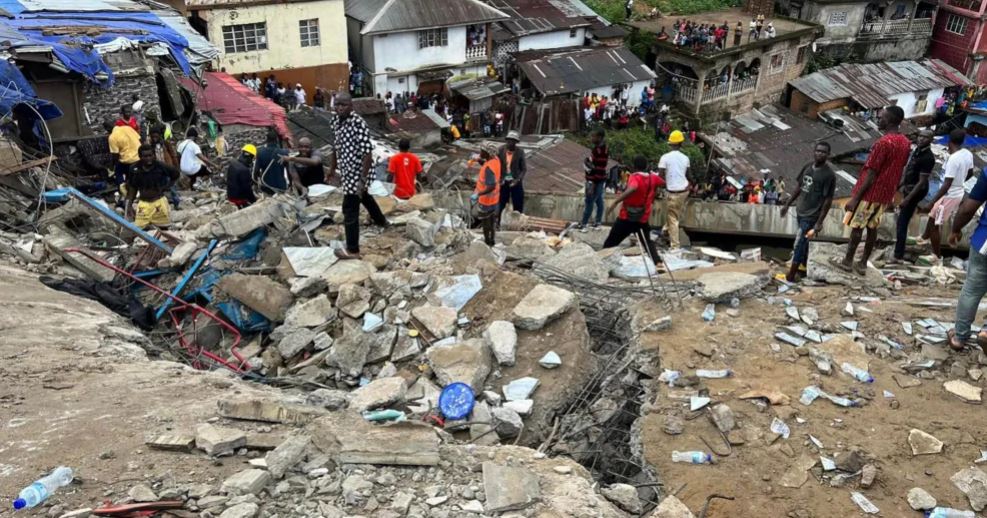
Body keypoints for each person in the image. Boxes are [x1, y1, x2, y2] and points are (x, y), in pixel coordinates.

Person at [836, 106, 910, 275]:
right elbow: (901, 168)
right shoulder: (905, 142)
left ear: (890, 120)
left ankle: (848, 261)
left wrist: (855, 198)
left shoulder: (883, 143)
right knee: (872, 227)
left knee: (857, 227)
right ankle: (863, 263)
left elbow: (871, 173)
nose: (879, 120)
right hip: (885, 194)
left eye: (882, 117)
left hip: (870, 193)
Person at [329, 92, 389, 260]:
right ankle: (381, 221)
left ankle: (353, 250)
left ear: (351, 106)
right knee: (365, 198)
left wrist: (362, 181)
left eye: (344, 105)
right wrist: (332, 169)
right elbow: (336, 146)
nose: (340, 108)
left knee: (350, 209)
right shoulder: (334, 121)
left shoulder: (358, 123)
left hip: (358, 172)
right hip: (346, 171)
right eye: (337, 105)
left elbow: (367, 154)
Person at [780, 142, 836, 282]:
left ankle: (791, 275)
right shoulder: (807, 167)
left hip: (812, 215)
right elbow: (799, 187)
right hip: (801, 211)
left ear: (828, 155)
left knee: (800, 244)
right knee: (804, 244)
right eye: (818, 151)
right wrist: (788, 204)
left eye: (823, 152)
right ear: (814, 152)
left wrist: (819, 222)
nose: (820, 154)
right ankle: (804, 268)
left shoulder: (829, 175)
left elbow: (828, 200)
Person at [947, 170, 987, 351]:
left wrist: (956, 229)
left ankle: (960, 336)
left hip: (984, 242)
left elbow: (968, 208)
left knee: (972, 288)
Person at [920, 128, 974, 259]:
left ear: (949, 141)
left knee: (935, 224)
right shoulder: (967, 153)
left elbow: (946, 184)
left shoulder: (953, 160)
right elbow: (971, 173)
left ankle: (936, 256)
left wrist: (932, 201)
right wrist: (960, 181)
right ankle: (924, 238)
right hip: (955, 192)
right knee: (933, 217)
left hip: (948, 196)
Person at [602, 155, 663, 263]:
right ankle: (657, 263)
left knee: (611, 242)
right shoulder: (653, 178)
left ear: (634, 167)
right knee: (647, 242)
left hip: (626, 217)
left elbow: (633, 188)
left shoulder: (634, 177)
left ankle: (601, 260)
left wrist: (616, 201)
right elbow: (664, 183)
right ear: (647, 166)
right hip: (642, 217)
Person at [892, 129, 935, 263]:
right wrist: (900, 184)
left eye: (925, 137)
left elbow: (921, 182)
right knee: (902, 220)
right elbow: (910, 170)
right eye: (920, 136)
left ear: (931, 140)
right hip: (910, 186)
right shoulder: (917, 151)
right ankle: (898, 252)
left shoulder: (928, 157)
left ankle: (898, 256)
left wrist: (907, 199)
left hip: (916, 190)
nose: (921, 139)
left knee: (902, 221)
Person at [125, 144, 179, 229]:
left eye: (150, 155)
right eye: (145, 156)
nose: (148, 158)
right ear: (140, 157)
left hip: (159, 202)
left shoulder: (160, 166)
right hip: (143, 204)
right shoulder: (134, 169)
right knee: (139, 229)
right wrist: (129, 205)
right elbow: (132, 187)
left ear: (154, 155)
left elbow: (175, 174)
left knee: (164, 228)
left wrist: (166, 187)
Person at [659, 130, 690, 250]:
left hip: (672, 192)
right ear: (681, 143)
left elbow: (660, 177)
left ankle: (675, 246)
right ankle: (664, 231)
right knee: (674, 214)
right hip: (684, 192)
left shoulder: (664, 158)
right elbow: (688, 175)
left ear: (671, 144)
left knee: (673, 218)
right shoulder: (685, 158)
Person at [471, 142, 502, 246]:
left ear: (488, 153)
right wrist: (479, 160)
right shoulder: (495, 160)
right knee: (492, 221)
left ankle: (487, 242)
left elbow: (491, 186)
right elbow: (486, 164)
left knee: (486, 223)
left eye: (482, 151)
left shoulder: (489, 168)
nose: (480, 152)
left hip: (486, 200)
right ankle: (492, 240)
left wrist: (477, 194)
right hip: (494, 199)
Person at [580, 128, 609, 231]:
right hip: (600, 178)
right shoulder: (603, 148)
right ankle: (598, 222)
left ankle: (584, 224)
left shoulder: (598, 150)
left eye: (594, 136)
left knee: (590, 201)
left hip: (595, 179)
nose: (592, 138)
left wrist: (588, 166)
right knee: (599, 201)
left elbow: (597, 167)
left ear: (600, 137)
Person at [255, 130, 300, 194]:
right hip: (281, 186)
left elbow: (256, 172)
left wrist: (258, 185)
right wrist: (290, 184)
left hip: (267, 187)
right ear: (277, 140)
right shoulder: (284, 152)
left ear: (266, 140)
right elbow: (289, 171)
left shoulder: (260, 153)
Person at [498, 130, 527, 219]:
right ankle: (500, 221)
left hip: (515, 181)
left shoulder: (520, 152)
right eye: (509, 140)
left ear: (516, 142)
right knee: (502, 203)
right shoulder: (500, 150)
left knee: (518, 203)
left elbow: (524, 169)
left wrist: (517, 180)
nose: (510, 143)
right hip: (503, 181)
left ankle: (517, 222)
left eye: (512, 141)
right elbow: (496, 165)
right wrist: (500, 179)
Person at [106, 118, 141, 186]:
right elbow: (139, 139)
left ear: (107, 129)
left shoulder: (112, 137)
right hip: (140, 156)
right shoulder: (128, 128)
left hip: (129, 161)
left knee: (118, 172)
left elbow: (115, 156)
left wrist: (112, 167)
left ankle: (122, 186)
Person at [227, 144, 258, 208]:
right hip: (238, 199)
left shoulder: (233, 163)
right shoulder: (244, 170)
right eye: (252, 158)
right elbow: (247, 190)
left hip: (230, 195)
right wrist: (254, 200)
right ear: (250, 157)